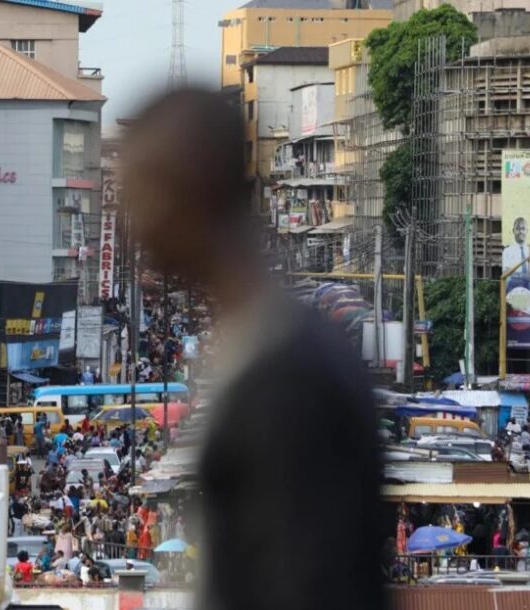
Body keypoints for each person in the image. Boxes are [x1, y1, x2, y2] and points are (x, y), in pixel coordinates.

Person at [123, 88, 384, 610]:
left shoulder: (287, 382)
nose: (136, 219)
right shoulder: (269, 346)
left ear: (190, 189)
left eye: (142, 191)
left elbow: (304, 583)